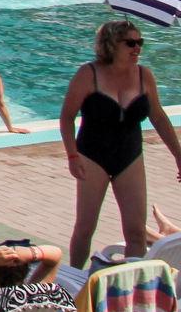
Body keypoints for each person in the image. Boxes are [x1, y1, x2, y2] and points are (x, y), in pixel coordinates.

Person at [61, 18, 181, 266]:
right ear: (111, 45)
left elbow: (158, 116)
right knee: (85, 227)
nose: (137, 48)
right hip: (92, 155)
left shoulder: (143, 75)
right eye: (130, 43)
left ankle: (133, 288)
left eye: (140, 42)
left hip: (129, 155)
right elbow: (67, 117)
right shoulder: (88, 74)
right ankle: (74, 278)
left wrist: (179, 155)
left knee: (136, 231)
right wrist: (72, 155)